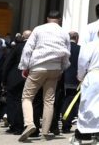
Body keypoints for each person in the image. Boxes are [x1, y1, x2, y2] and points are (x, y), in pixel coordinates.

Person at [18, 11, 72, 142]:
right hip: (55, 68)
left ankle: (30, 123)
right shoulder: (64, 32)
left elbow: (28, 49)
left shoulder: (38, 29)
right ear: (59, 20)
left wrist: (24, 66)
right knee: (49, 101)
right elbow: (67, 53)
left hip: (38, 67)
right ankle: (45, 131)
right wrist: (62, 69)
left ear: (47, 18)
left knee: (27, 97)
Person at [2, 30, 31, 135]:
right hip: (31, 78)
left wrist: (4, 79)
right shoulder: (36, 47)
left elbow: (7, 63)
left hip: (15, 78)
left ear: (23, 37)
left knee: (12, 102)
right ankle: (24, 125)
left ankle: (15, 125)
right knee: (26, 102)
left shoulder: (18, 47)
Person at [60, 31, 81, 135]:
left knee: (63, 100)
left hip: (62, 78)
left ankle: (61, 122)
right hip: (75, 79)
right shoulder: (80, 49)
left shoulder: (63, 49)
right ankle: (66, 124)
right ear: (77, 38)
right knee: (71, 102)